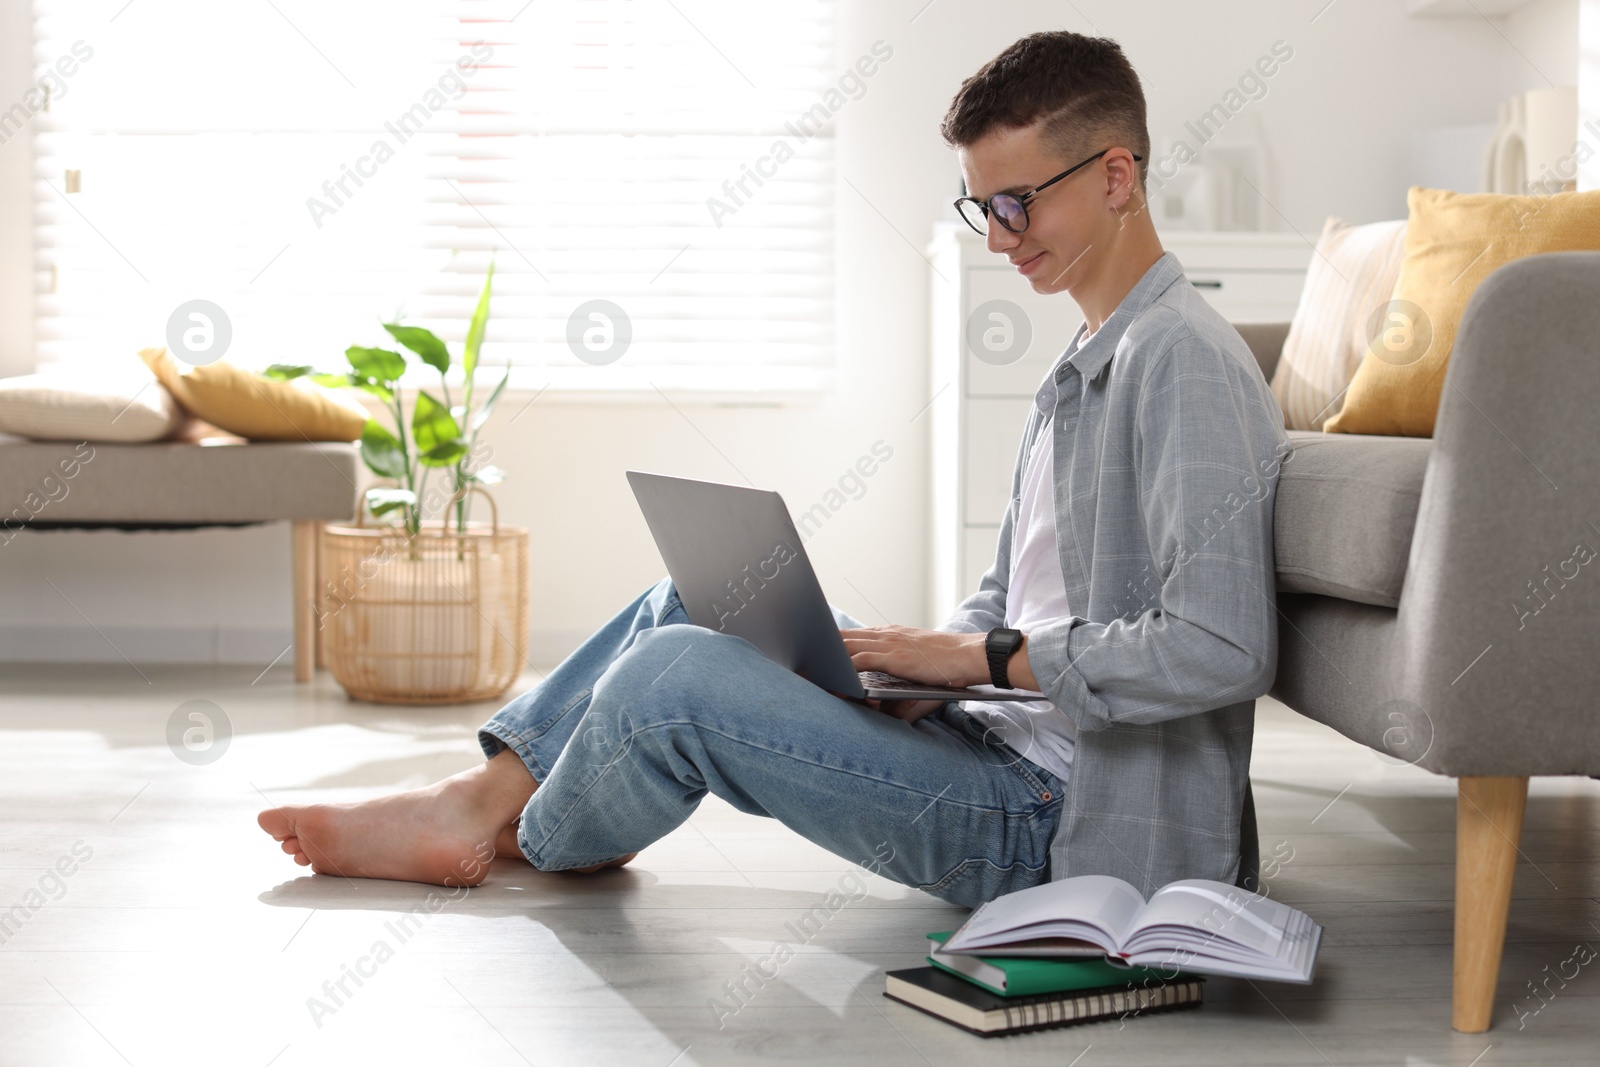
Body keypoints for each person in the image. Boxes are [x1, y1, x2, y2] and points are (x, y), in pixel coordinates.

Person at [259, 30, 1290, 907]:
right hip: (996, 747)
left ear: (1115, 175)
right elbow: (1020, 599)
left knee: (673, 679)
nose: (998, 239)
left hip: (1065, 826)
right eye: (984, 209)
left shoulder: (1182, 359)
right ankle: (484, 801)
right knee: (696, 596)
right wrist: (912, 670)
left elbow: (1221, 644)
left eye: (1017, 203)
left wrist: (977, 661)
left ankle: (515, 826)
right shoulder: (1082, 362)